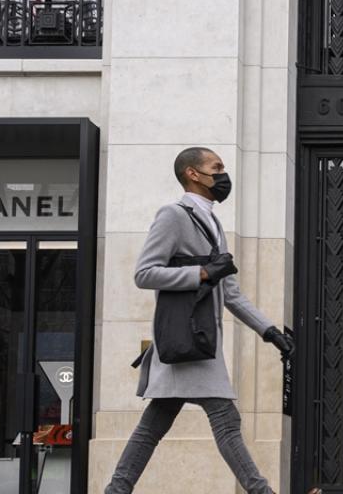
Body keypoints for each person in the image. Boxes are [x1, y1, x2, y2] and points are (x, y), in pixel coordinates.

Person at [105, 147, 293, 494]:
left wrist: (269, 332)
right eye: (216, 167)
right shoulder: (173, 215)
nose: (223, 175)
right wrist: (201, 273)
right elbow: (144, 273)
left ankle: (116, 491)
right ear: (193, 173)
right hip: (189, 340)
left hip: (199, 341)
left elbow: (231, 295)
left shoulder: (214, 223)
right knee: (226, 420)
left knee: (152, 428)